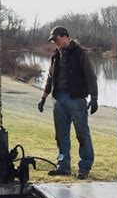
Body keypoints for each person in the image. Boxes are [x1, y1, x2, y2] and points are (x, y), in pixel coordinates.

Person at [38, 26, 98, 180]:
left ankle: (84, 167)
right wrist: (44, 97)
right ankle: (63, 166)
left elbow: (90, 76)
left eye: (56, 39)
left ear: (65, 36)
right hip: (59, 99)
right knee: (61, 135)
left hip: (77, 100)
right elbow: (50, 78)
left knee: (82, 134)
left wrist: (94, 98)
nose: (55, 43)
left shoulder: (79, 53)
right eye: (53, 41)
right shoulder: (55, 55)